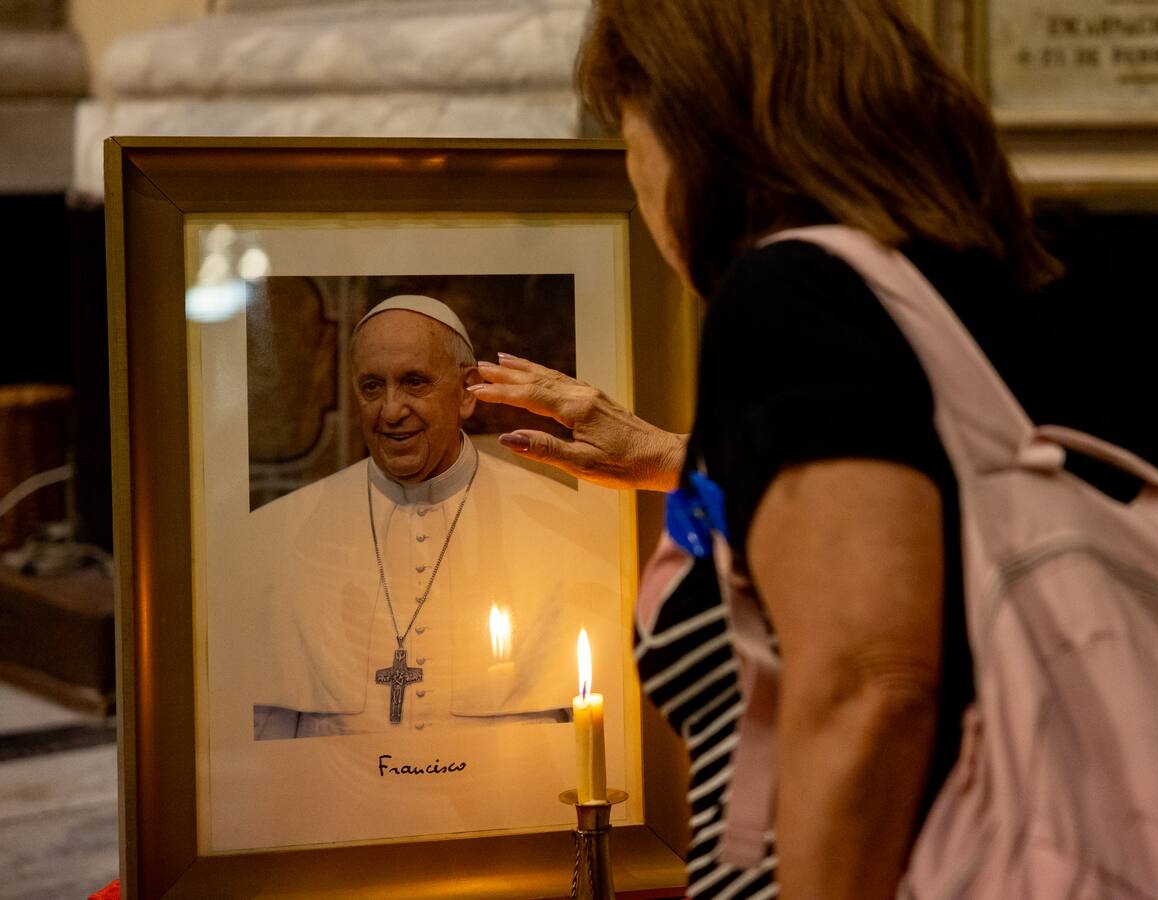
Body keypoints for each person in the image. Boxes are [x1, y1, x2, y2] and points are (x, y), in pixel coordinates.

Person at [469, 1, 1088, 897]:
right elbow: (923, 496)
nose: (637, 182)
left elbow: (869, 686)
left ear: (697, 128)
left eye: (632, 140)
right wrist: (674, 456)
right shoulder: (980, 280)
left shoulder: (790, 293)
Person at [249, 295, 610, 740]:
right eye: (372, 387)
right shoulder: (280, 535)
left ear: (467, 392)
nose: (391, 411)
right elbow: (265, 738)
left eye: (414, 382)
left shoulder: (560, 526)